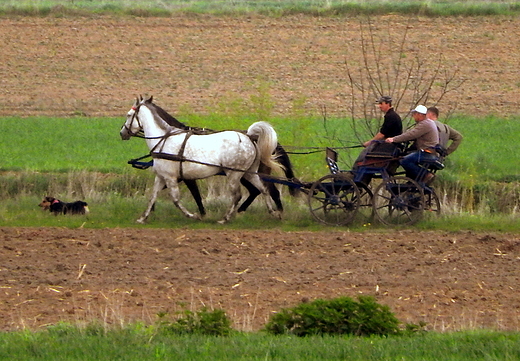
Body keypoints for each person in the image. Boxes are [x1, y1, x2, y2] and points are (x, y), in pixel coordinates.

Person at [385, 105, 439, 184]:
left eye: (414, 114)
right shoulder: (428, 123)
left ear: (420, 115)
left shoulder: (425, 124)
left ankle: (426, 174)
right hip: (430, 151)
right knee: (408, 157)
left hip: (427, 152)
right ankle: (413, 181)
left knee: (404, 160)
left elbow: (411, 134)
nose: (413, 116)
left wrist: (393, 139)